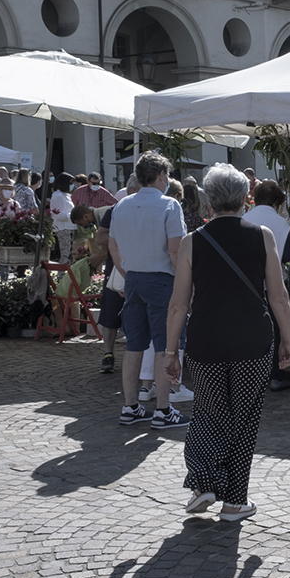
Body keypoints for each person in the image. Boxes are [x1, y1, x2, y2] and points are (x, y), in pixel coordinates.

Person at [163, 164, 290, 521]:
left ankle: (204, 481)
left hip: (206, 339)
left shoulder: (193, 241)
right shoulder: (263, 235)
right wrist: (288, 339)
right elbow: (278, 295)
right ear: (244, 199)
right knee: (245, 417)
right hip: (253, 338)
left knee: (208, 410)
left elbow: (178, 303)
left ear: (209, 202)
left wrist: (171, 350)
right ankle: (235, 501)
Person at [109, 151, 190, 430]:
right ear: (160, 176)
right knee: (165, 346)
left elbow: (113, 246)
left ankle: (130, 406)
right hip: (161, 279)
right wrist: (185, 283)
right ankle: (163, 410)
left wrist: (127, 272)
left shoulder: (121, 205)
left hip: (134, 279)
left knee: (134, 345)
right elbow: (175, 249)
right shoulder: (169, 205)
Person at [243, 180, 290, 390]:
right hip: (273, 281)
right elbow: (288, 255)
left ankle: (252, 374)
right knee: (276, 329)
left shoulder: (244, 218)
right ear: (277, 201)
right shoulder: (281, 223)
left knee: (250, 330)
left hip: (246, 283)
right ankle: (276, 374)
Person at [93, 177, 141, 373]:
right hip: (117, 270)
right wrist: (120, 236)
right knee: (111, 312)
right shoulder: (115, 210)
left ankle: (139, 359)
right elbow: (99, 237)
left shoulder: (150, 210)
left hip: (142, 269)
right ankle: (108, 353)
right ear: (129, 190)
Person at [50, 172, 77, 264]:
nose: (72, 186)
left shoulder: (66, 195)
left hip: (69, 226)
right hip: (63, 227)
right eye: (70, 183)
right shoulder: (58, 196)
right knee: (65, 253)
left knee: (69, 253)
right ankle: (61, 274)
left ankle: (66, 274)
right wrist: (73, 215)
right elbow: (59, 215)